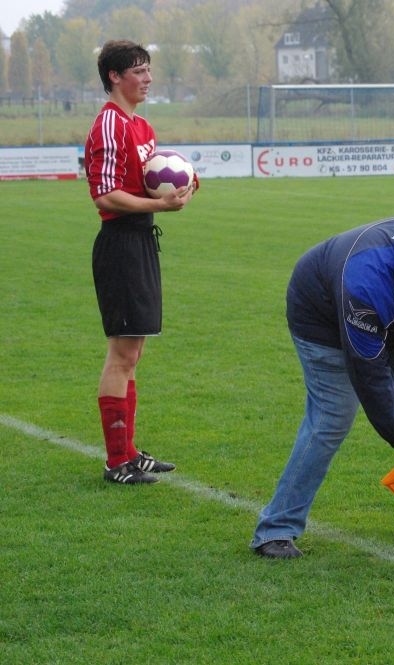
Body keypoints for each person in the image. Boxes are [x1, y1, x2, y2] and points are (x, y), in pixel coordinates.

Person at [250, 215, 394, 559]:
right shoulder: (366, 281)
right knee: (333, 417)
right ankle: (275, 529)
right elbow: (372, 377)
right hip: (323, 316)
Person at [85, 40, 196, 485]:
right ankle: (117, 462)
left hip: (142, 241)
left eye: (149, 70)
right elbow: (105, 195)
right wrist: (161, 206)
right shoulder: (110, 124)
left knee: (133, 352)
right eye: (138, 71)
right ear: (115, 77)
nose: (148, 79)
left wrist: (185, 184)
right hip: (120, 244)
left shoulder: (142, 125)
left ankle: (129, 452)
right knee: (122, 354)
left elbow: (150, 179)